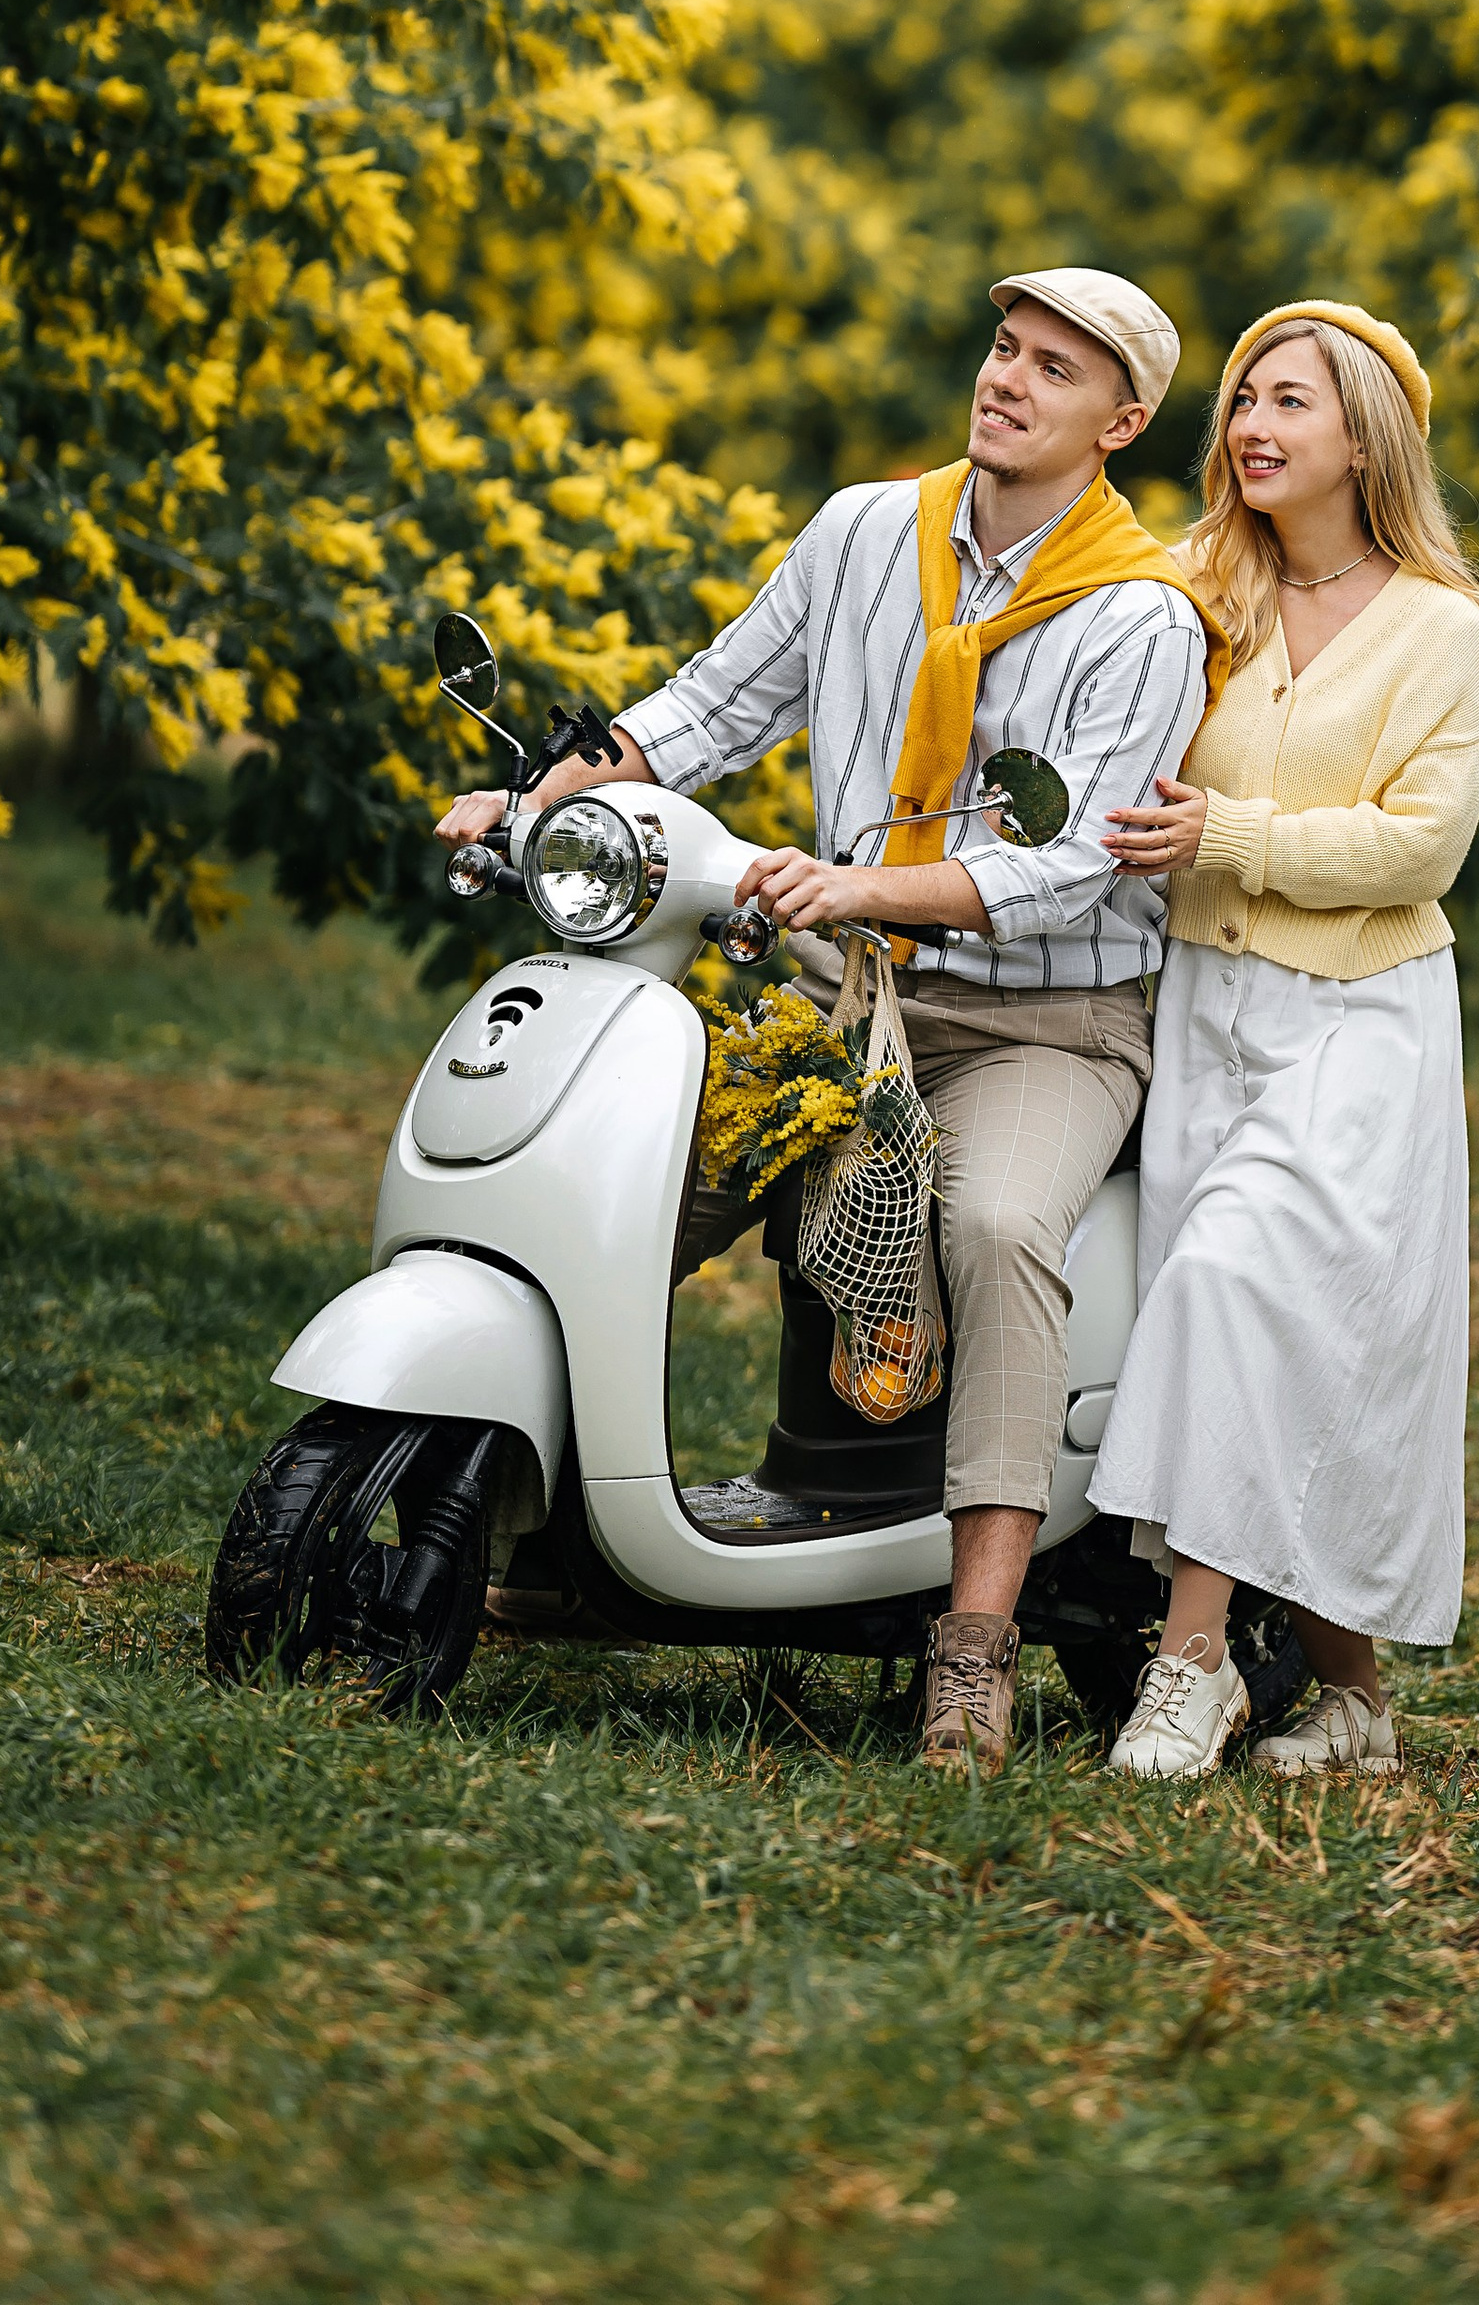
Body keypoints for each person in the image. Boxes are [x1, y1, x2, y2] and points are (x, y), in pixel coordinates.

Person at [437, 267, 1221, 1775]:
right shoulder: (866, 530)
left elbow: (1071, 865)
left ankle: (974, 1648)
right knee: (622, 1183)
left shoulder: (1144, 616)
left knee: (998, 1226)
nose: (1007, 380)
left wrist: (865, 888)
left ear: (1120, 426)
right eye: (1004, 348)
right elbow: (712, 707)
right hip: (845, 997)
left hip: (1047, 1025)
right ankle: (542, 1530)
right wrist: (540, 793)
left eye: (1055, 370)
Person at [1092, 299, 1479, 1781]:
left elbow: (1420, 850)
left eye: (1290, 402)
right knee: (1276, 1345)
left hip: (1361, 1018)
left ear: (1364, 437)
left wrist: (1229, 835)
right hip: (1204, 1004)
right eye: (1244, 399)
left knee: (1229, 1279)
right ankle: (1356, 1703)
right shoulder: (1195, 589)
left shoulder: (1442, 631)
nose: (1252, 425)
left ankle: (1191, 1669)